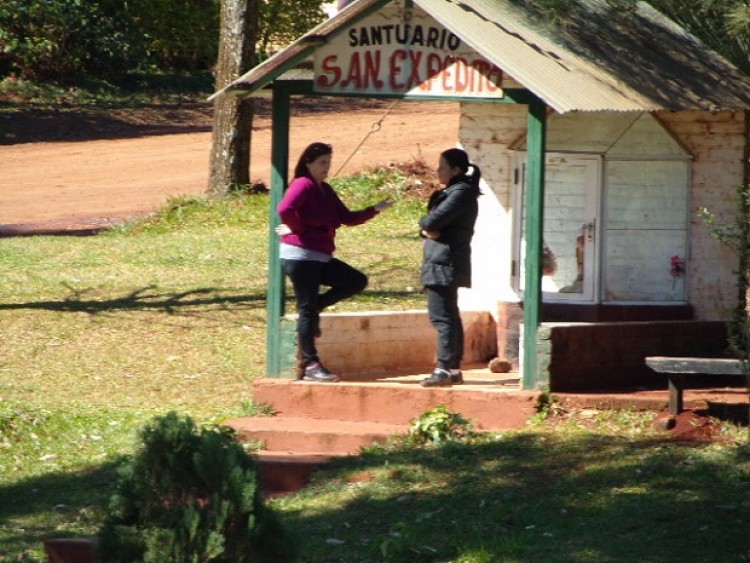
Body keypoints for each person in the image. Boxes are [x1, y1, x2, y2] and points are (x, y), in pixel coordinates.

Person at [276, 142, 393, 382]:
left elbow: (346, 218)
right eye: (322, 163)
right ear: (308, 163)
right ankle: (311, 365)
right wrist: (298, 229)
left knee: (356, 281)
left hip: (320, 257)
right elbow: (285, 209)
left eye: (328, 162)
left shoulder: (325, 190)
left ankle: (315, 309)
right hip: (300, 256)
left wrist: (375, 209)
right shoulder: (302, 184)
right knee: (306, 309)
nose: (326, 167)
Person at [419, 148, 481, 387]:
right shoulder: (454, 193)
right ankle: (453, 368)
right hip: (444, 261)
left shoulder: (460, 193)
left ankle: (444, 368)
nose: (438, 171)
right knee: (450, 316)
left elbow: (430, 222)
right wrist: (427, 229)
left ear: (455, 170)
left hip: (443, 263)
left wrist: (427, 226)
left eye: (442, 167)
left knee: (442, 317)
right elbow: (429, 227)